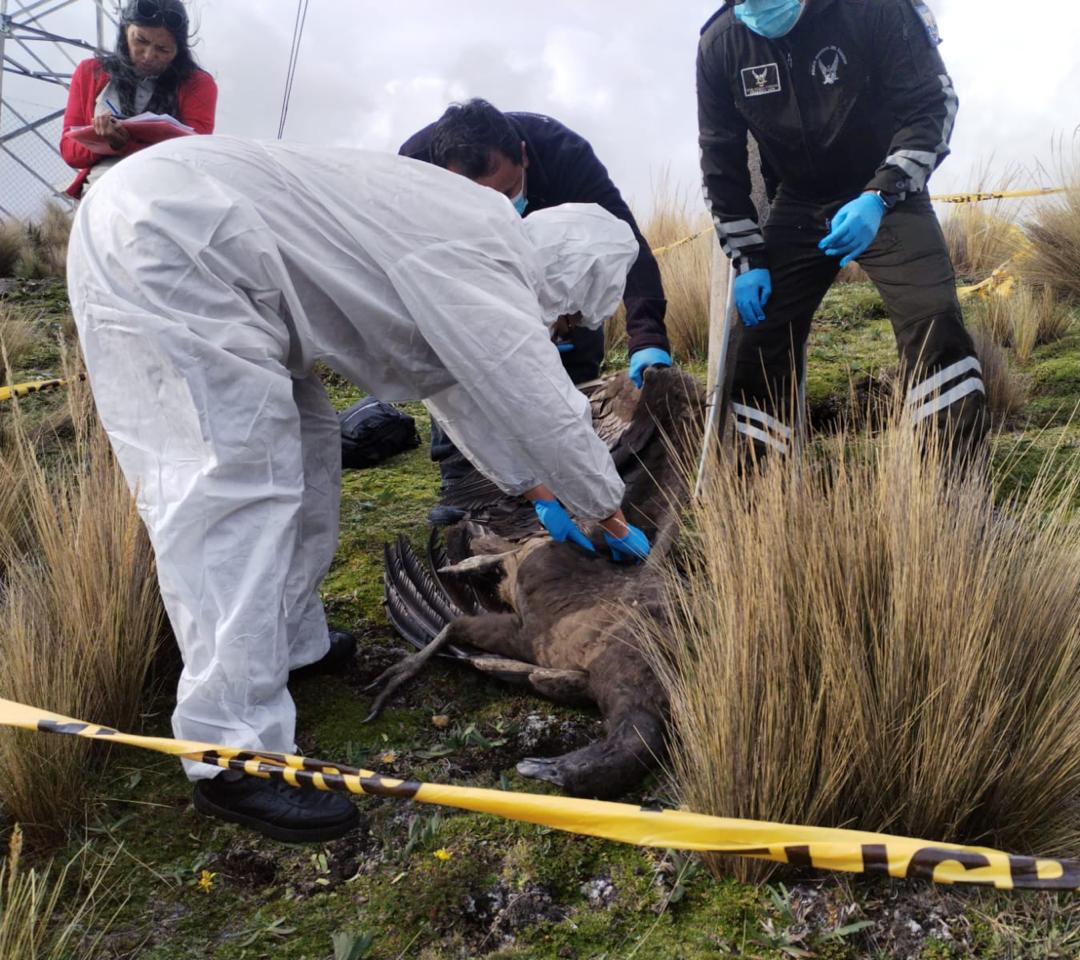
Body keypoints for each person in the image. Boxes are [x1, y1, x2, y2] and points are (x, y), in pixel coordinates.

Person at [66, 136, 652, 842]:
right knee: (233, 485)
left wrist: (536, 490)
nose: (561, 330)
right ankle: (231, 750)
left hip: (215, 247)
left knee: (309, 447)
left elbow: (455, 381)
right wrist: (607, 513)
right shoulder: (489, 261)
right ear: (568, 281)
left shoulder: (478, 239)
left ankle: (289, 644)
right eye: (568, 318)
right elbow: (535, 396)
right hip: (177, 239)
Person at [697, 0, 986, 456]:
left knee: (933, 319)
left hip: (885, 192)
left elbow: (931, 105)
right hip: (798, 200)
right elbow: (720, 161)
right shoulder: (721, 44)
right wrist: (749, 258)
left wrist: (879, 195)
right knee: (758, 338)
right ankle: (758, 499)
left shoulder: (875, 8)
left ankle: (953, 494)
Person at [400, 100, 673, 510]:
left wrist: (647, 333)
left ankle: (568, 462)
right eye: (483, 200)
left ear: (523, 156)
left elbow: (626, 241)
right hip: (466, 271)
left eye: (508, 192)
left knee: (574, 357)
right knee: (458, 355)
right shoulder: (414, 169)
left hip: (558, 269)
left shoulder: (565, 155)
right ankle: (462, 477)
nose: (501, 209)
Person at [60, 0, 216, 200]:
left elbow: (194, 154)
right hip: (104, 185)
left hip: (170, 187)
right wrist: (105, 140)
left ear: (178, 51)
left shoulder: (197, 83)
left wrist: (125, 144)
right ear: (125, 30)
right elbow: (69, 150)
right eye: (140, 40)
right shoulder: (91, 72)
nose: (149, 55)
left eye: (163, 49)